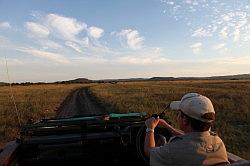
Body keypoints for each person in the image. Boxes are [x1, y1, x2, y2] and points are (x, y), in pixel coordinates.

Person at [144, 93, 229, 166]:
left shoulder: (174, 150)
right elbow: (194, 139)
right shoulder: (218, 142)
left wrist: (150, 128)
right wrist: (168, 127)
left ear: (185, 120)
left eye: (179, 114)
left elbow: (149, 152)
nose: (177, 117)